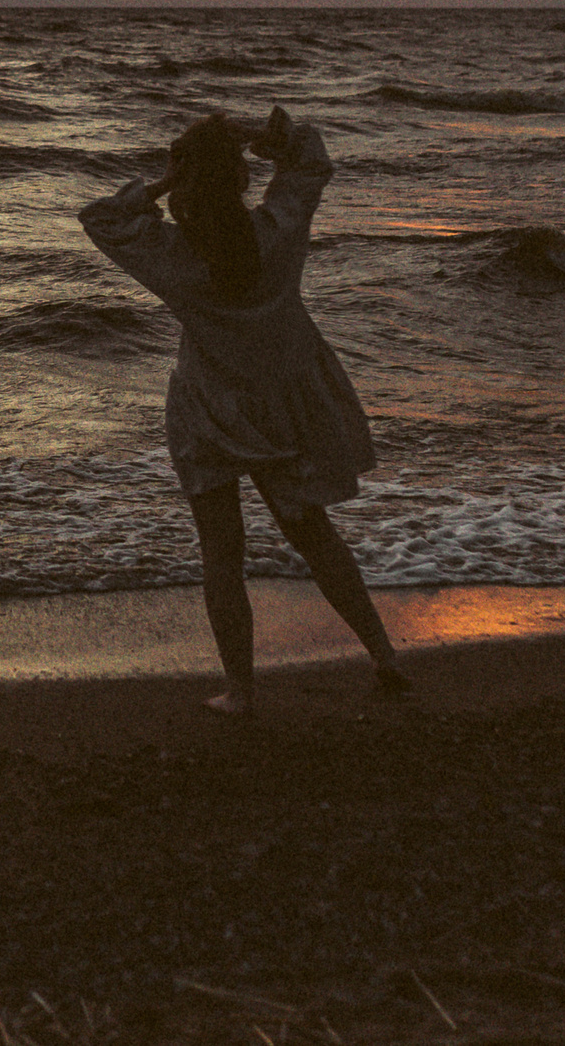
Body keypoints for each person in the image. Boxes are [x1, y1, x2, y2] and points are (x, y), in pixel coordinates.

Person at [80, 105, 405, 713]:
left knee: (221, 555)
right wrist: (251, 136)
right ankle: (384, 657)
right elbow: (310, 158)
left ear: (187, 186)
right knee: (314, 535)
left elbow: (102, 216)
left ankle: (243, 689)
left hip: (207, 412)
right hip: (282, 409)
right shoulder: (276, 233)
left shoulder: (175, 255)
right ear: (237, 179)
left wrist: (172, 176)